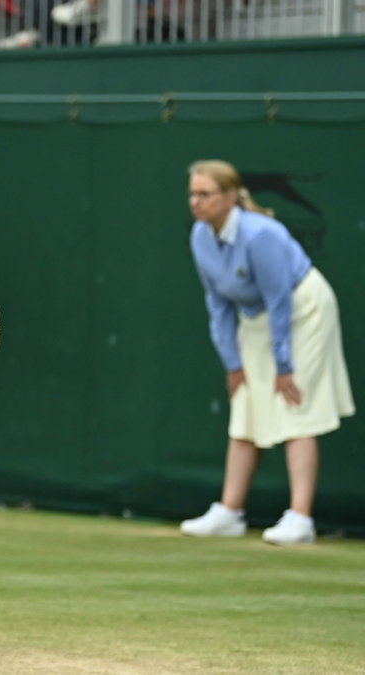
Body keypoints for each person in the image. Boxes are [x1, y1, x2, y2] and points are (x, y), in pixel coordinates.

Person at [180, 159, 354, 546]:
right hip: (255, 316)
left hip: (303, 308)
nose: (196, 202)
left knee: (295, 404)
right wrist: (233, 364)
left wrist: (284, 364)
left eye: (205, 194)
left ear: (229, 197)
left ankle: (300, 518)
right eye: (192, 194)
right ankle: (230, 511)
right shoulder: (200, 237)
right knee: (246, 404)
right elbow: (218, 304)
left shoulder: (262, 236)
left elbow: (280, 302)